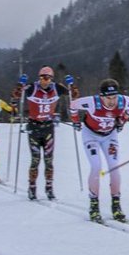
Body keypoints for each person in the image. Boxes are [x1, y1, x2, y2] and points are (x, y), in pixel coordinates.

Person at [69, 78, 129, 222]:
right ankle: (94, 205)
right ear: (101, 96)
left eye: (114, 97)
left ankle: (116, 205)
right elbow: (73, 105)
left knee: (114, 167)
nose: (111, 101)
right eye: (108, 98)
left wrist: (122, 121)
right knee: (96, 166)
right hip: (91, 135)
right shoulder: (93, 102)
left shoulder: (124, 101)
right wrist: (75, 121)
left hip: (109, 136)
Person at [10, 66, 78, 200]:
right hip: (34, 127)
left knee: (49, 161)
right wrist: (20, 84)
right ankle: (32, 188)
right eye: (42, 77)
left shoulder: (57, 87)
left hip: (48, 128)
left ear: (51, 78)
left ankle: (49, 188)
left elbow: (73, 95)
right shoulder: (32, 88)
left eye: (47, 78)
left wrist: (72, 84)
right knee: (35, 160)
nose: (44, 80)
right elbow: (16, 95)